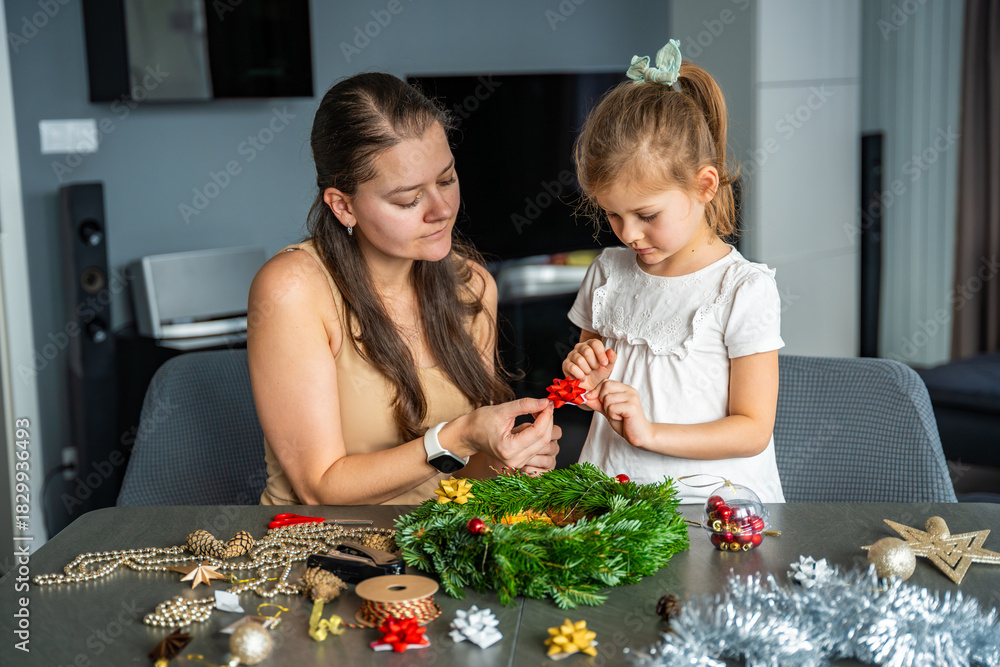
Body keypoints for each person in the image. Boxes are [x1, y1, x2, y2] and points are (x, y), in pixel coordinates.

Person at [249, 72, 559, 506]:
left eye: (447, 179)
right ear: (343, 205)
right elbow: (318, 488)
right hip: (322, 549)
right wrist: (461, 434)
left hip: (441, 542)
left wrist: (511, 455)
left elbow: (466, 472)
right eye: (407, 200)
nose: (442, 210)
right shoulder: (294, 289)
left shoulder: (470, 286)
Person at [561, 40, 785, 504]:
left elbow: (752, 431)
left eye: (646, 215)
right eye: (613, 215)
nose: (629, 235)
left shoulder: (742, 289)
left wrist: (650, 433)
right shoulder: (607, 273)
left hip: (712, 506)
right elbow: (587, 380)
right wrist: (583, 378)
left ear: (704, 185)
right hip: (611, 492)